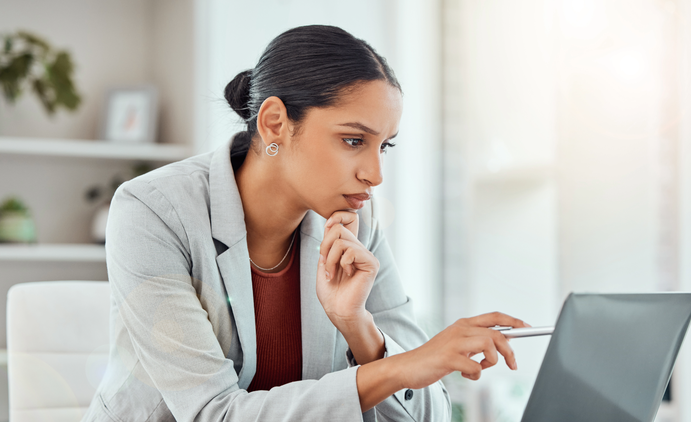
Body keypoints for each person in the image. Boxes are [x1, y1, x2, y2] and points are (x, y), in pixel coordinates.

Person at [82, 24, 528, 422]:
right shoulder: (153, 210)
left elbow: (428, 416)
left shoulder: (358, 219)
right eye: (353, 140)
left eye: (384, 147)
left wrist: (358, 327)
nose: (375, 174)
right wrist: (397, 367)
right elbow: (211, 415)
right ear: (275, 123)